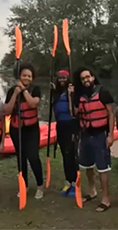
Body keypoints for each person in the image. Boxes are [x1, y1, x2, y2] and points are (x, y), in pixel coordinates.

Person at [72, 66, 115, 212]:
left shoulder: (103, 92)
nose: (86, 80)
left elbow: (111, 114)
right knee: (88, 166)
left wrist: (111, 135)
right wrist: (70, 95)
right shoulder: (79, 95)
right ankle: (92, 191)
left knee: (102, 168)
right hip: (85, 134)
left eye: (88, 77)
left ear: (93, 77)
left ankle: (106, 199)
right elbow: (75, 113)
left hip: (100, 134)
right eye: (83, 78)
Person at [3, 63, 44, 199]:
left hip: (32, 129)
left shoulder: (35, 89)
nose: (27, 78)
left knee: (33, 157)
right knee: (21, 159)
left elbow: (33, 104)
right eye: (24, 75)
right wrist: (15, 92)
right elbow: (7, 111)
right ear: (19, 76)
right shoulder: (11, 91)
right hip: (16, 129)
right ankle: (23, 185)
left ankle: (40, 186)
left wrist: (24, 90)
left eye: (29, 76)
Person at [50, 69, 78, 197]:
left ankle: (75, 184)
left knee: (71, 155)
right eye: (60, 78)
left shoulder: (72, 91)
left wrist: (71, 95)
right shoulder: (56, 92)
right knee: (65, 155)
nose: (62, 80)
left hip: (71, 126)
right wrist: (52, 92)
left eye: (64, 78)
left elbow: (74, 112)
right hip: (60, 126)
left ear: (68, 79)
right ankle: (68, 181)